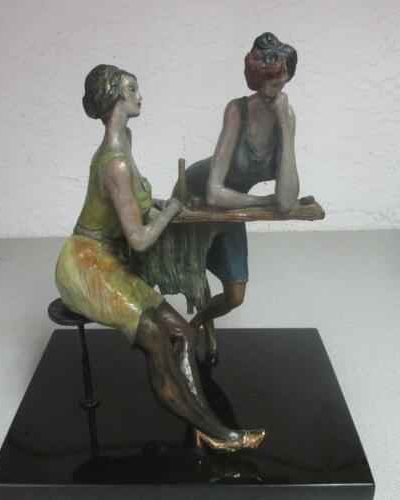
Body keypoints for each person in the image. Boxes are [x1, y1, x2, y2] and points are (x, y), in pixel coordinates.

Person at [55, 64, 265, 451]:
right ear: (116, 98)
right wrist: (170, 211)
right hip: (85, 264)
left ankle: (205, 425)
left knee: (183, 332)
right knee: (155, 339)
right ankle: (218, 433)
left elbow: (134, 203)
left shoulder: (125, 141)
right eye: (132, 89)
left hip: (110, 259)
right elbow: (138, 240)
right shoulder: (115, 163)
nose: (139, 96)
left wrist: (160, 205)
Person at [185, 32, 300, 331]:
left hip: (234, 203)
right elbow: (213, 192)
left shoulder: (286, 117)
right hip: (197, 190)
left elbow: (286, 202)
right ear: (256, 77)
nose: (275, 91)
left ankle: (195, 325)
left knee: (235, 296)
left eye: (281, 83)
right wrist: (263, 201)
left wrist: (284, 125)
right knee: (193, 274)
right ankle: (192, 334)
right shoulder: (237, 110)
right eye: (269, 82)